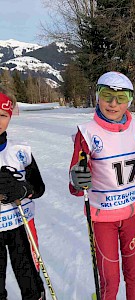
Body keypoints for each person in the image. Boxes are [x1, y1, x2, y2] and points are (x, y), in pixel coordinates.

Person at [69, 71, 135, 300]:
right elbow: (76, 184)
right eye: (107, 95)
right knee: (110, 280)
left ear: (129, 101)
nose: (113, 104)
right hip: (102, 218)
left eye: (121, 98)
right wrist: (76, 180)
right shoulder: (86, 132)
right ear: (97, 96)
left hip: (133, 215)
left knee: (133, 274)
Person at [0, 92, 46, 300]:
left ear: (9, 117)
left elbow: (39, 187)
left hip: (21, 224)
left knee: (29, 280)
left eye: (3, 115)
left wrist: (23, 190)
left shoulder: (21, 151)